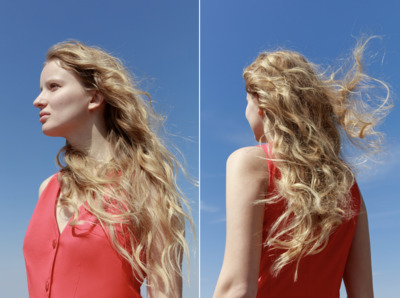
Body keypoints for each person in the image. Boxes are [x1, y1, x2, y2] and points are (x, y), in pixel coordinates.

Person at [214, 38, 391, 298]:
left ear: (261, 103)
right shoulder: (348, 184)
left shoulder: (250, 163)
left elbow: (237, 288)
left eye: (246, 100)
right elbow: (364, 294)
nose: (245, 110)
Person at [23, 41, 192, 298]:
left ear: (94, 97)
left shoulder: (146, 187)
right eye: (41, 89)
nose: (38, 100)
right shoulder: (48, 188)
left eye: (53, 87)